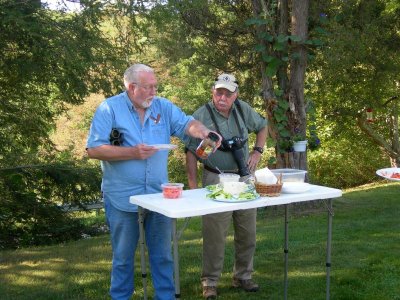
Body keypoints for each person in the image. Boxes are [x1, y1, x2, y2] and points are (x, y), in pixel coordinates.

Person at [86, 63, 221, 300]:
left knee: (162, 256)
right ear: (131, 87)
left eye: (155, 86)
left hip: (159, 197)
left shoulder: (163, 107)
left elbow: (187, 123)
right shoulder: (109, 109)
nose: (153, 92)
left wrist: (204, 132)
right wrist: (132, 153)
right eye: (148, 87)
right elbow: (94, 149)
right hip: (121, 197)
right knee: (123, 258)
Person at [185, 73, 268, 299]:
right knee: (215, 234)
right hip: (215, 179)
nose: (223, 97)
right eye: (219, 92)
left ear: (235, 95)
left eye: (228, 93)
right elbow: (190, 152)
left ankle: (243, 276)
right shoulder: (200, 115)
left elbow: (263, 126)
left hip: (244, 179)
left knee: (248, 230)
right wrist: (193, 187)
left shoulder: (243, 109)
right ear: (213, 92)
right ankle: (210, 281)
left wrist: (257, 152)